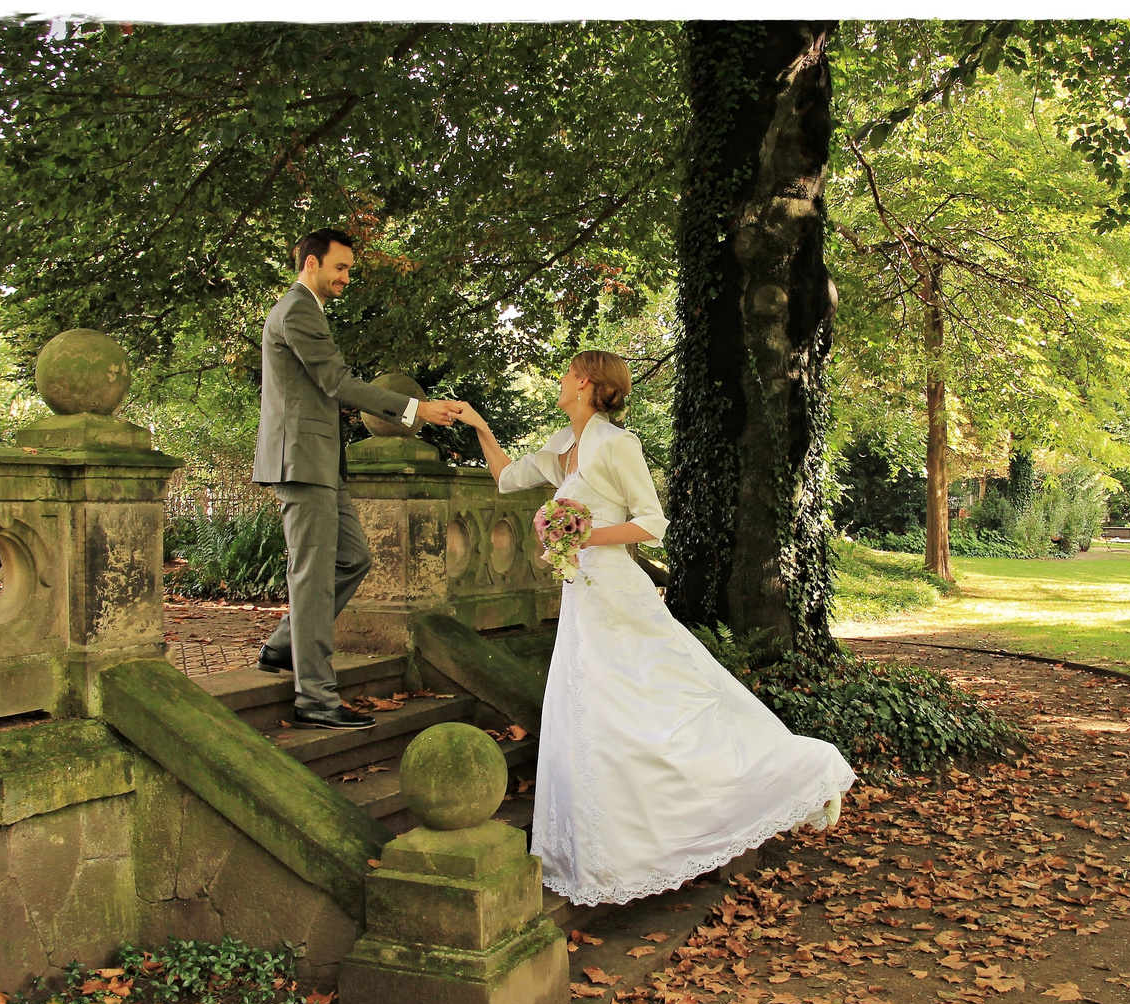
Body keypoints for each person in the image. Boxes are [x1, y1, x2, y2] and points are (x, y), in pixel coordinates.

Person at [452, 351, 855, 906]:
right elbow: (504, 479)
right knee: (589, 714)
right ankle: (599, 855)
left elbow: (651, 522)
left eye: (568, 374)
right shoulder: (559, 447)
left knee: (654, 701)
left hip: (617, 593)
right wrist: (479, 426)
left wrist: (583, 535)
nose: (561, 381)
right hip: (580, 599)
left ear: (587, 383)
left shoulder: (618, 445)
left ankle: (793, 771)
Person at [253, 227, 462, 731]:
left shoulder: (304, 310)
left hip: (321, 463)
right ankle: (316, 701)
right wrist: (417, 409)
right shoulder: (297, 308)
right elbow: (336, 382)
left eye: (348, 268)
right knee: (311, 577)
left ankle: (283, 649)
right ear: (310, 264)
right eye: (340, 267)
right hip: (300, 462)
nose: (347, 277)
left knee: (353, 558)